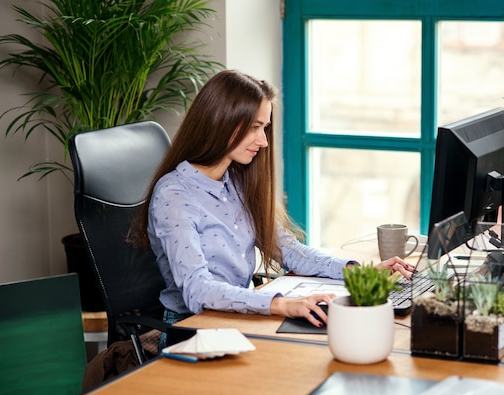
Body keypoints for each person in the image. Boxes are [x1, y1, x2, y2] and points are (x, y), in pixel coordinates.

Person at [131, 69, 413, 337]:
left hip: (239, 318)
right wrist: (283, 304)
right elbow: (197, 291)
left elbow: (290, 252)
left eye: (264, 128)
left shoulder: (237, 182)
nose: (263, 141)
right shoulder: (174, 194)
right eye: (255, 128)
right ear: (221, 122)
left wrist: (359, 271)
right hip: (193, 328)